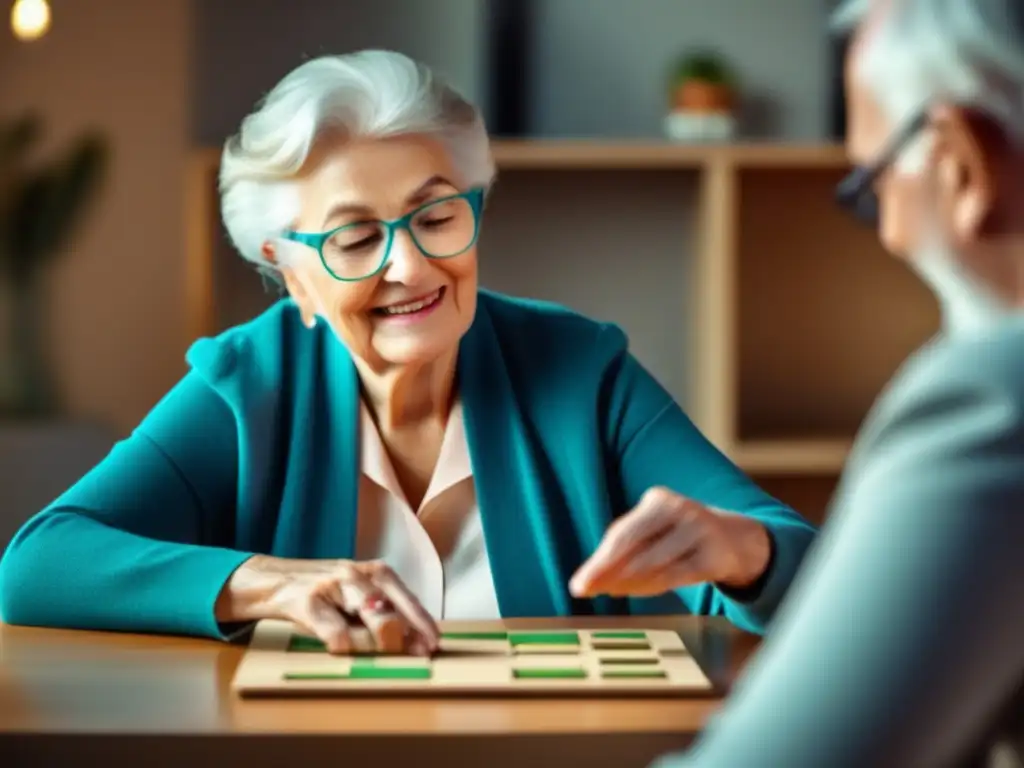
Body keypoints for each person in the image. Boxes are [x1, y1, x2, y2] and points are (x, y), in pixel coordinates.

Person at [0, 50, 815, 655]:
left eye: (435, 217)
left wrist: (741, 551)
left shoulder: (580, 369)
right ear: (291, 275)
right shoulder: (248, 383)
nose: (411, 266)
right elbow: (35, 566)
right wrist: (275, 583)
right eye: (355, 238)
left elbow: (807, 565)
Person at [654, 0, 1024, 766]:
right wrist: (756, 559)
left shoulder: (991, 400)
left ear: (961, 162)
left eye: (874, 183)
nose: (886, 232)